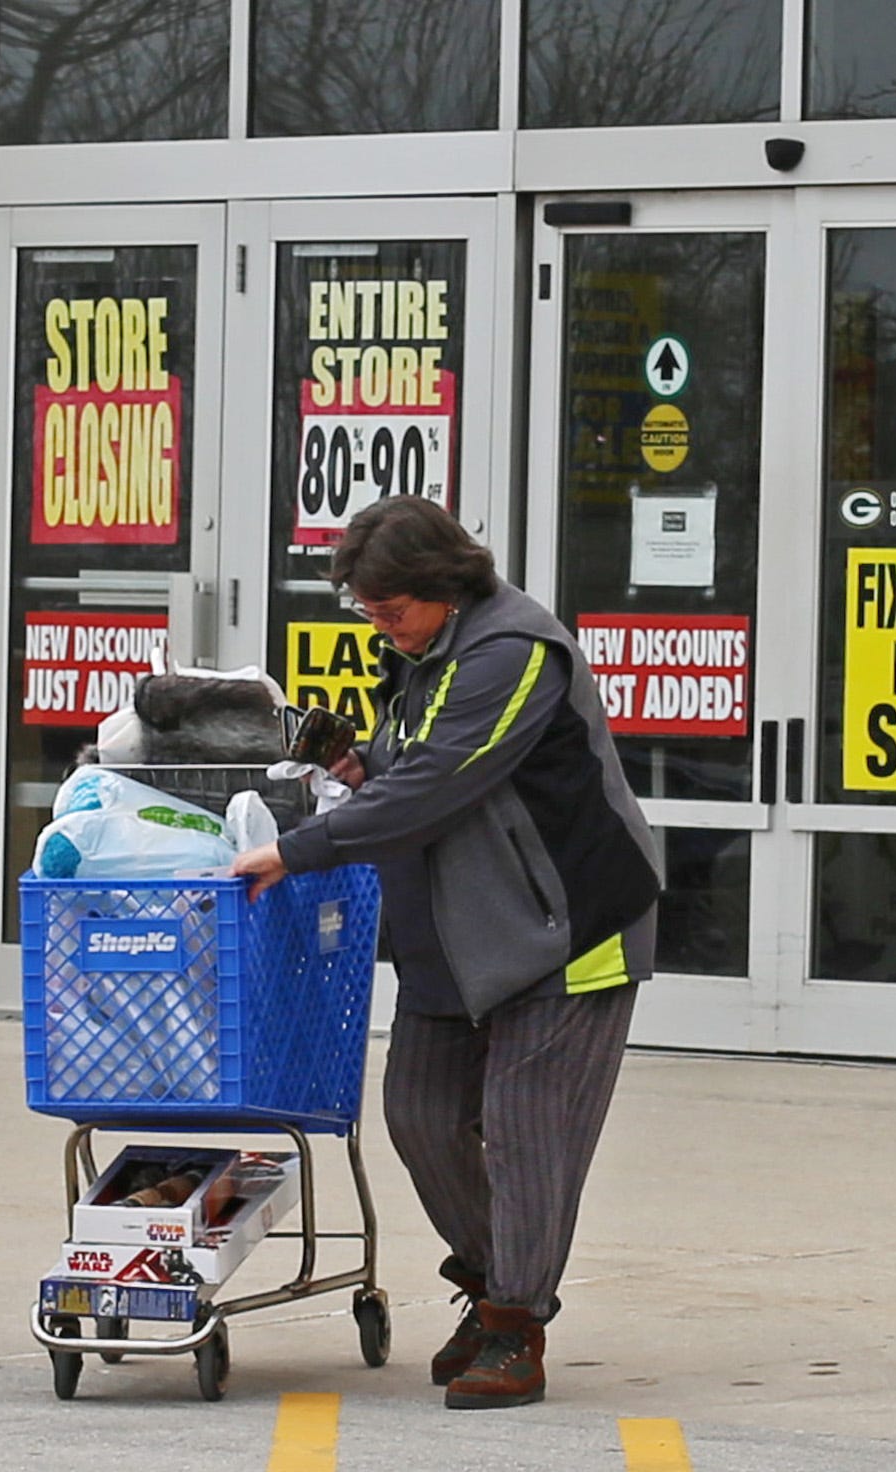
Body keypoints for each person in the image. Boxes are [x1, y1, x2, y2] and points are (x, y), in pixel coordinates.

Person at [231, 496, 662, 1410]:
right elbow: (411, 777)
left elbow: (441, 786)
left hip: (566, 933)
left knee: (525, 1135)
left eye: (389, 608)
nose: (378, 625)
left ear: (443, 586)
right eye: (366, 611)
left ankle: (515, 1324)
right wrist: (355, 768)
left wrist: (299, 849)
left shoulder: (514, 652)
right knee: (421, 1114)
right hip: (457, 943)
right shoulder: (424, 661)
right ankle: (492, 1281)